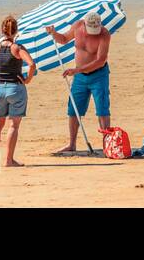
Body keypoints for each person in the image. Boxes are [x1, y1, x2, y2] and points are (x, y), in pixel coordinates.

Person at [47, 11, 112, 154]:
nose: (94, 33)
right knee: (73, 109)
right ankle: (72, 144)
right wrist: (53, 33)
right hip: (80, 77)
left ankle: (107, 146)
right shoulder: (77, 26)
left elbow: (101, 61)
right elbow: (63, 39)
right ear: (85, 24)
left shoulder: (104, 34)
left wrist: (76, 70)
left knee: (102, 109)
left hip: (99, 75)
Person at [0, 15, 36, 168]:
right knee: (13, 126)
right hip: (15, 88)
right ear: (16, 32)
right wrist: (28, 80)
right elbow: (31, 64)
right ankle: (9, 160)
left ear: (2, 31)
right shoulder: (18, 48)